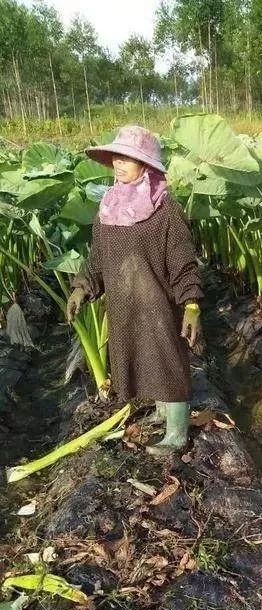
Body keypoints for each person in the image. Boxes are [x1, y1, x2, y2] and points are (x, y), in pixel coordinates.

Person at [66, 125, 204, 458]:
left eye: (128, 158)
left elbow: (183, 259)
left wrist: (191, 305)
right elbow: (98, 257)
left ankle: (177, 433)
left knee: (168, 359)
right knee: (142, 356)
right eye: (117, 156)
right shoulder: (108, 208)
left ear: (147, 165)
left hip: (159, 301)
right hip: (124, 303)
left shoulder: (165, 207)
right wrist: (82, 288)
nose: (119, 163)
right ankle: (161, 411)